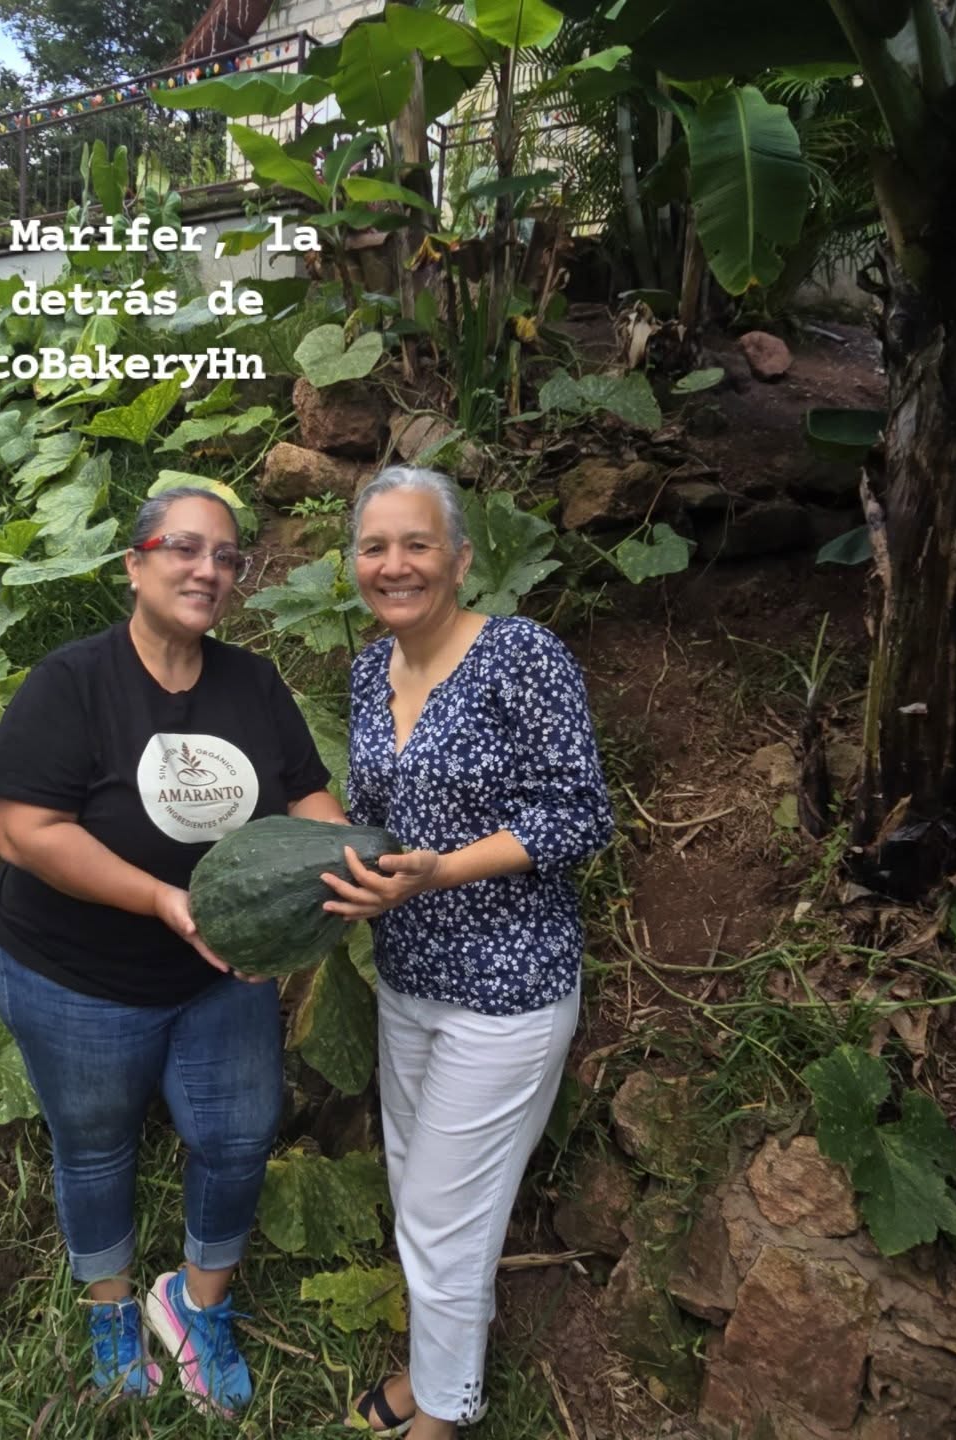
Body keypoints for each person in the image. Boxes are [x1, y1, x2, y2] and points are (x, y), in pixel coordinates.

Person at [0, 486, 342, 1415]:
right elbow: (22, 832)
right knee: (95, 1148)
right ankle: (110, 1309)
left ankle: (195, 1304)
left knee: (239, 1138)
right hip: (76, 977)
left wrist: (349, 862)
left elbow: (307, 797)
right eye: (184, 548)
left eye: (227, 557)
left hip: (221, 972)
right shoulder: (73, 682)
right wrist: (164, 900)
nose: (208, 569)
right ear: (135, 565)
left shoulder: (253, 685)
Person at [321, 467, 614, 1440]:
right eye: (374, 546)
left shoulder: (521, 655)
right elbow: (370, 823)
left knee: (441, 1214)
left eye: (416, 543)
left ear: (460, 558)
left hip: (509, 988)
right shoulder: (369, 672)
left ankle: (443, 1413)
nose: (394, 564)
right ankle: (434, 1366)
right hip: (408, 978)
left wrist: (441, 871)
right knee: (422, 1191)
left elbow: (579, 815)